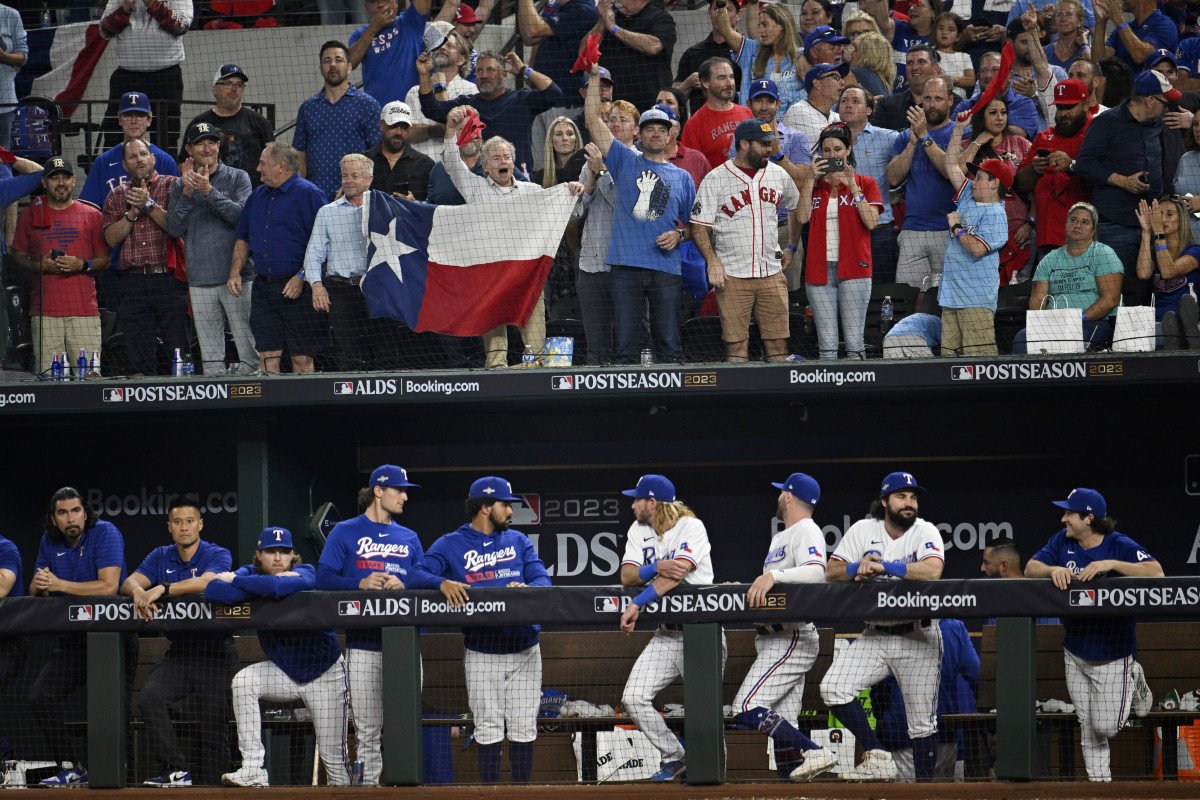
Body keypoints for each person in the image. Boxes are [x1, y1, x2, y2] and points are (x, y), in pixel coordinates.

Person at [411, 477, 551, 784]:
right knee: (488, 727)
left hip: (524, 647)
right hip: (482, 649)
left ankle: (521, 793)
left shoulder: (518, 541)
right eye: (505, 505)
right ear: (486, 507)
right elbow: (416, 573)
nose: (511, 512)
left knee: (523, 727)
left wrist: (527, 588)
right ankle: (490, 793)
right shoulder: (450, 543)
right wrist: (441, 582)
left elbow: (544, 581)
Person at [316, 465, 442, 786]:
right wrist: (359, 582)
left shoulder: (409, 537)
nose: (404, 496)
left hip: (403, 645)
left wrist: (407, 584)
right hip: (363, 644)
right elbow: (323, 579)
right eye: (398, 489)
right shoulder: (344, 531)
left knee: (404, 725)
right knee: (368, 732)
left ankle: (406, 789)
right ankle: (368, 790)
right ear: (377, 491)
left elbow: (423, 580)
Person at [1025, 488, 1162, 781]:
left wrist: (1111, 564)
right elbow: (1030, 568)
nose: (1063, 519)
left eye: (1069, 514)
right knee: (1087, 725)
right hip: (1074, 649)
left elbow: (1157, 573)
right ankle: (1100, 788)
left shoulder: (1117, 544)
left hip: (1113, 652)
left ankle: (1134, 679)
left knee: (1106, 727)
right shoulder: (1061, 541)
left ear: (1088, 518)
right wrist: (1053, 570)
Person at [820, 471, 945, 782]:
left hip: (918, 636)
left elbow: (932, 571)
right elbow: (831, 572)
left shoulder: (925, 531)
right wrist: (857, 567)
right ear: (885, 501)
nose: (910, 503)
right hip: (874, 635)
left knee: (921, 725)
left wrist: (884, 566)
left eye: (914, 497)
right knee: (832, 687)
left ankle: (925, 792)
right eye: (902, 496)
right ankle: (878, 756)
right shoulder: (864, 529)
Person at [208, 528, 350, 788]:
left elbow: (277, 587)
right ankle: (253, 769)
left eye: (284, 552)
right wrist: (258, 585)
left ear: (292, 555)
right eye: (271, 552)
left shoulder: (306, 571)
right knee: (243, 682)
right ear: (259, 555)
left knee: (336, 766)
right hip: (284, 672)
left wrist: (237, 581)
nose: (278, 558)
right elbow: (214, 591)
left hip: (325, 674)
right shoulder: (250, 573)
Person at [442, 108, 583, 367]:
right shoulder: (475, 189)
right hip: (491, 274)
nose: (502, 161)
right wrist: (451, 131)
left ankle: (536, 369)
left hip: (525, 274)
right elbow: (452, 163)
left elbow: (568, 212)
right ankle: (496, 371)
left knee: (536, 339)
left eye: (506, 156)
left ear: (513, 163)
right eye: (495, 158)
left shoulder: (532, 191)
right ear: (485, 166)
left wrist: (574, 192)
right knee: (495, 344)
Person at [120, 496, 236, 788]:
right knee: (150, 697)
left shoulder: (216, 552)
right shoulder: (161, 555)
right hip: (181, 652)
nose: (183, 527)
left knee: (213, 727)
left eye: (189, 521)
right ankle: (176, 770)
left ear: (200, 525)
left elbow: (211, 582)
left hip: (216, 652)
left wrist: (164, 587)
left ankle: (214, 787)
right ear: (169, 527)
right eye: (177, 522)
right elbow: (128, 582)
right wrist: (137, 592)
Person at [583, 65, 696, 364]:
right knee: (625, 346)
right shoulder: (623, 160)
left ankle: (673, 405)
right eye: (649, 129)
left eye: (661, 130)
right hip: (625, 267)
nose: (655, 134)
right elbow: (593, 119)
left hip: (666, 269)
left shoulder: (683, 177)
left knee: (669, 342)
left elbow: (698, 226)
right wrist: (594, 78)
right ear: (639, 133)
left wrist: (680, 234)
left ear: (672, 134)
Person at [731, 473, 838, 782]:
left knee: (746, 706)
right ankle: (790, 788)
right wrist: (756, 584)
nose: (778, 497)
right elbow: (778, 584)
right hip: (771, 637)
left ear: (789, 496)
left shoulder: (807, 529)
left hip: (791, 636)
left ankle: (815, 750)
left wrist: (774, 576)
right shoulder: (782, 536)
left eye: (782, 493)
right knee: (784, 726)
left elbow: (816, 573)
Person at [28, 487, 131, 788]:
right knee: (40, 696)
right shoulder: (49, 540)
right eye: (63, 513)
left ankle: (126, 781)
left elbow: (108, 586)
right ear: (54, 518)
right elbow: (37, 593)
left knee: (116, 713)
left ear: (85, 512)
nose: (70, 518)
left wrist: (60, 583)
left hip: (113, 638)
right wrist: (39, 584)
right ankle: (72, 766)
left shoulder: (105, 532)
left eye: (75, 511)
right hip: (74, 640)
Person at [617, 474, 716, 781]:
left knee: (704, 714)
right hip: (667, 633)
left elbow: (678, 573)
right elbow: (628, 576)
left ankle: (716, 783)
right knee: (633, 697)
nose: (632, 505)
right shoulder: (639, 529)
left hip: (702, 631)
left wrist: (637, 603)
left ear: (652, 502)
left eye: (637, 499)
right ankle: (676, 756)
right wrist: (656, 566)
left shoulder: (691, 527)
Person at [692, 119, 800, 362]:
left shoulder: (778, 174)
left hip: (771, 274)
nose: (769, 149)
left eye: (770, 143)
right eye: (762, 144)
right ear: (744, 144)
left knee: (778, 345)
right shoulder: (716, 178)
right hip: (731, 277)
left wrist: (792, 246)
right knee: (737, 347)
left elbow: (796, 208)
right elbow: (699, 227)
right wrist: (712, 262)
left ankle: (781, 399)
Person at [165, 121, 257, 375]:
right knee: (211, 360)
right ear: (189, 149)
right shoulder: (178, 185)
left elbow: (242, 218)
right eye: (199, 144)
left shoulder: (239, 178)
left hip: (236, 277)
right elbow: (173, 228)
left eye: (211, 142)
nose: (206, 149)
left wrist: (208, 191)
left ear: (219, 146)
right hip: (199, 279)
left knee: (249, 352)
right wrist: (186, 192)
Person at [230, 141, 330, 374]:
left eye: (263, 164)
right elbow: (242, 238)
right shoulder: (256, 197)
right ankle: (268, 410)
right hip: (264, 288)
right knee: (266, 358)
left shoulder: (310, 194)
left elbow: (324, 244)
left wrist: (301, 276)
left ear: (281, 166)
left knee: (301, 360)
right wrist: (234, 271)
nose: (258, 169)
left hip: (301, 289)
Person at [305, 153, 405, 372]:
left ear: (369, 179)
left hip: (379, 287)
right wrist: (316, 284)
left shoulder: (386, 208)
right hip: (341, 290)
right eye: (344, 176)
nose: (348, 180)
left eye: (354, 176)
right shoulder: (327, 213)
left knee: (386, 351)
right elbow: (314, 253)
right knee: (347, 353)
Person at [10, 157, 109, 377]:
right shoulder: (29, 215)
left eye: (65, 177)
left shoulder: (92, 215)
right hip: (45, 315)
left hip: (84, 313)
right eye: (54, 178)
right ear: (44, 182)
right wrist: (39, 266)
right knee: (49, 383)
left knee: (90, 382)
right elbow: (16, 255)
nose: (60, 182)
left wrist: (81, 264)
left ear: (74, 180)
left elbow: (105, 259)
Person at [101, 138, 187, 377]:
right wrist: (131, 214)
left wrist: (148, 204)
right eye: (132, 156)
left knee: (178, 350)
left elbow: (176, 228)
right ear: (125, 165)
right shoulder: (116, 195)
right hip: (133, 283)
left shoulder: (174, 186)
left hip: (169, 280)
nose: (138, 159)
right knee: (138, 357)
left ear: (153, 158)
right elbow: (109, 239)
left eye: (142, 154)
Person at [1074, 69, 1174, 273]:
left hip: (1155, 224)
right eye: (1165, 102)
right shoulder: (1106, 122)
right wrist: (1122, 180)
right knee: (1119, 286)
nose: (1167, 108)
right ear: (1149, 101)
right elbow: (1084, 164)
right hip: (1117, 225)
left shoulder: (1157, 123)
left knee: (1153, 285)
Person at [797, 124, 883, 360]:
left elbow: (871, 222)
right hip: (818, 271)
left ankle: (859, 394)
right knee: (826, 343)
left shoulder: (865, 183)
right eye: (826, 150)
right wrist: (809, 178)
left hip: (855, 269)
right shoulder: (814, 185)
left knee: (855, 341)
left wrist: (853, 186)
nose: (832, 155)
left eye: (837, 149)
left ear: (848, 150)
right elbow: (802, 217)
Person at [870, 618, 979, 782]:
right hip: (944, 734)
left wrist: (882, 721)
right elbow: (977, 678)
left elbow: (879, 692)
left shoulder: (886, 628)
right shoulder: (953, 627)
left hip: (903, 735)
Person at [420, 50, 563, 173]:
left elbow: (554, 94)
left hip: (518, 184)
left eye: (490, 70)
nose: (484, 75)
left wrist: (524, 69)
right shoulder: (467, 104)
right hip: (479, 184)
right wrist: (424, 74)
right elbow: (431, 109)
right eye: (479, 71)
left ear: (504, 75)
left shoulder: (522, 100)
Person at [939, 116, 1010, 356]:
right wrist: (958, 128)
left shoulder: (997, 215)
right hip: (951, 296)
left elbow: (978, 249)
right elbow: (951, 166)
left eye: (979, 177)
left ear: (994, 184)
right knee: (949, 360)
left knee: (980, 362)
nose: (973, 180)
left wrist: (956, 228)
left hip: (976, 299)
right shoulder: (970, 195)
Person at [1012, 201, 1124, 352]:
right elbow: (1037, 300)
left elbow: (1110, 300)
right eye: (1073, 220)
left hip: (1094, 322)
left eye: (1084, 222)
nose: (1077, 225)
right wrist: (1043, 324)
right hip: (1054, 324)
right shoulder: (1050, 259)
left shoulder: (1103, 254)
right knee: (1021, 338)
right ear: (1066, 224)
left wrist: (1078, 319)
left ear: (1093, 230)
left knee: (1069, 337)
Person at [887, 75, 958, 292]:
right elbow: (893, 177)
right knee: (908, 297)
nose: (932, 104)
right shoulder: (906, 136)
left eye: (938, 98)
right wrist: (912, 142)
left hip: (949, 230)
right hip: (912, 230)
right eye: (927, 98)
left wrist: (925, 136)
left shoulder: (958, 132)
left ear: (950, 101)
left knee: (947, 300)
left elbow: (949, 172)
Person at [1015, 79, 1093, 264]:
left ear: (1085, 105)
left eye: (1069, 107)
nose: (1063, 114)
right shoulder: (1044, 137)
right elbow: (1021, 184)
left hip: (1085, 239)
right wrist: (1034, 169)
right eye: (1060, 108)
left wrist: (1072, 165)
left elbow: (1103, 177)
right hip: (1047, 238)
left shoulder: (1096, 133)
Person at [98, 0, 192, 153]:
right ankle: (113, 175)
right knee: (114, 136)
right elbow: (104, 31)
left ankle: (164, 177)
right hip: (126, 77)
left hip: (165, 77)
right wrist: (124, 7)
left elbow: (181, 26)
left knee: (166, 139)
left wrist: (152, 5)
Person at [294, 40, 383, 201]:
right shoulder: (307, 108)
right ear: (321, 69)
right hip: (315, 197)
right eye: (327, 61)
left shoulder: (368, 105)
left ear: (349, 67)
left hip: (356, 197)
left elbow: (378, 155)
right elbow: (300, 155)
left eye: (339, 60)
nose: (333, 65)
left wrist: (357, 188)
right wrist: (301, 193)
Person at [959, 97, 1032, 285]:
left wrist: (1030, 223)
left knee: (1016, 291)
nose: (1000, 118)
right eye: (993, 113)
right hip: (981, 233)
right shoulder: (968, 145)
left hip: (1018, 232)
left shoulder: (1021, 143)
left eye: (1003, 112)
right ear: (981, 117)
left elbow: (1037, 187)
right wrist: (978, 142)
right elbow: (956, 172)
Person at [838, 85, 901, 282]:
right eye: (844, 101)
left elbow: (905, 170)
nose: (848, 105)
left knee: (882, 292)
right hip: (842, 230)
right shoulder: (830, 140)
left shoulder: (889, 138)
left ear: (869, 110)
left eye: (855, 101)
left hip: (878, 231)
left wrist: (899, 192)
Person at [183, 64, 275, 187]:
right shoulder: (200, 123)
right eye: (228, 83)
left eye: (239, 85)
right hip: (206, 196)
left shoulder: (260, 123)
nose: (234, 88)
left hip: (252, 196)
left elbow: (274, 160)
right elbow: (183, 162)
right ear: (215, 89)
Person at [714, 1, 803, 115]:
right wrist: (721, 6)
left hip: (788, 125)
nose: (760, 31)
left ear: (782, 25)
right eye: (759, 25)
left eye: (765, 25)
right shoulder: (751, 49)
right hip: (751, 123)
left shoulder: (800, 56)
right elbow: (726, 31)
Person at [404, 28, 476, 163]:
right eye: (438, 45)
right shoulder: (414, 92)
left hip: (453, 168)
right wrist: (438, 130)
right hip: (417, 167)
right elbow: (407, 134)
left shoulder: (470, 91)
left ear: (461, 59)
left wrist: (439, 88)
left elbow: (458, 131)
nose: (442, 47)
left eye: (449, 46)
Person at [593, 0, 677, 114]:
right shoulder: (609, 18)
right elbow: (584, 54)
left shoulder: (660, 17)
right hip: (614, 109)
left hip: (650, 108)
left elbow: (654, 46)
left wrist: (614, 28)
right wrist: (602, 22)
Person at [1135, 196, 1200, 341]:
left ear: (1181, 219)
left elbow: (1168, 271)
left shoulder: (1195, 250)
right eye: (1159, 215)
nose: (1163, 219)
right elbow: (1143, 273)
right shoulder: (1156, 252)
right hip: (1160, 322)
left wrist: (1158, 232)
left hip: (1188, 322)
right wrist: (1146, 231)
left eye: (1169, 214)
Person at [347, 0, 431, 107]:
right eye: (373, 2)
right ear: (366, 7)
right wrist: (373, 28)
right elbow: (349, 63)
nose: (380, 4)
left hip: (412, 109)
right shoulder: (359, 34)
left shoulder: (410, 21)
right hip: (377, 111)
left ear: (396, 2)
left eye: (386, 0)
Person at [517, 0, 599, 105]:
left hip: (563, 101)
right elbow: (529, 38)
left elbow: (533, 30)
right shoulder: (562, 9)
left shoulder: (584, 10)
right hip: (543, 96)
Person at [680, 57, 753, 170]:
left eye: (731, 77)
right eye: (722, 78)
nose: (729, 83)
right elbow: (692, 169)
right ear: (705, 82)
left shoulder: (749, 114)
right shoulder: (694, 124)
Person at [952, 50, 1042, 140]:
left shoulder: (1023, 103)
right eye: (984, 70)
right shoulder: (965, 105)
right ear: (978, 77)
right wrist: (997, 127)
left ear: (1009, 76)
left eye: (995, 70)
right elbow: (952, 134)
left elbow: (1017, 134)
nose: (988, 75)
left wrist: (971, 127)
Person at [674, 0, 742, 116]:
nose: (721, 14)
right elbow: (674, 98)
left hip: (739, 123)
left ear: (738, 15)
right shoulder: (692, 54)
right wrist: (688, 83)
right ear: (710, 12)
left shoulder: (746, 51)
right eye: (717, 9)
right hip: (702, 126)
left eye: (727, 10)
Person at [873, 45, 955, 132]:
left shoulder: (953, 102)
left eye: (921, 61)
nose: (915, 67)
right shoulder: (887, 105)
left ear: (935, 68)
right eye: (910, 63)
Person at [364, 101, 435, 201]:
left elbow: (434, 207)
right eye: (393, 126)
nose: (399, 132)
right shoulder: (362, 162)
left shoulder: (426, 164)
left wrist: (416, 205)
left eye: (404, 127)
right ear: (381, 124)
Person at [1094, 0, 1177, 73]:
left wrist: (1118, 18)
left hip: (1151, 90)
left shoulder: (1165, 25)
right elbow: (1097, 63)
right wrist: (1100, 22)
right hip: (1124, 89)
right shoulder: (1124, 28)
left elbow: (1139, 56)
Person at [781, 63, 845, 146]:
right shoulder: (797, 111)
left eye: (841, 78)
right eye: (835, 77)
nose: (843, 82)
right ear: (817, 84)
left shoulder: (838, 117)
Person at [0, 3, 27, 150]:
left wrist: (3, 57)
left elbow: (22, 56)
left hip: (3, 103)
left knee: (3, 157)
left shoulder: (11, 14)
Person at [934, 12, 975, 93]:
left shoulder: (964, 57)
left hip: (959, 100)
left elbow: (971, 81)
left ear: (958, 37)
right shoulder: (929, 53)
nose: (944, 32)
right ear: (935, 32)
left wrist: (949, 78)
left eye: (951, 30)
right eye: (941, 28)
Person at [1047, 0, 1092, 71]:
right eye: (1059, 14)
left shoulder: (1088, 51)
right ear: (1054, 21)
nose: (1063, 19)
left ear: (1080, 22)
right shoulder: (1043, 52)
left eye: (1069, 14)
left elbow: (1090, 72)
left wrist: (1084, 45)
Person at [850, 32, 898, 98]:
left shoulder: (857, 73)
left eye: (855, 50)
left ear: (866, 55)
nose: (851, 54)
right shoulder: (884, 83)